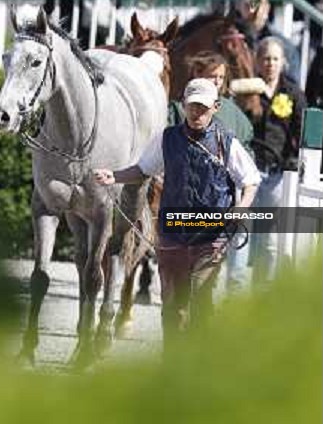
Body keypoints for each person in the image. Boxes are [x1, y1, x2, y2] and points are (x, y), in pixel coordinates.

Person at [94, 78, 260, 352]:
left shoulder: (226, 142)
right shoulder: (167, 138)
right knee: (173, 306)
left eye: (203, 108)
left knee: (199, 296)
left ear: (216, 107)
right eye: (192, 106)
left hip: (212, 235)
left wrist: (241, 208)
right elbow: (142, 170)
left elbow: (251, 180)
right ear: (183, 105)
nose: (196, 113)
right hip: (172, 234)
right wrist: (115, 176)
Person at [167, 51, 255, 294]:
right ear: (197, 76)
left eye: (221, 77)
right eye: (212, 76)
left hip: (218, 205)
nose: (217, 82)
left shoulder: (234, 114)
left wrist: (240, 199)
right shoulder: (176, 110)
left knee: (205, 281)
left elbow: (247, 158)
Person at [244, 37, 307, 285]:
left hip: (277, 174)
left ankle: (261, 299)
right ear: (257, 62)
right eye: (265, 58)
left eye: (274, 59)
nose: (270, 63)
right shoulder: (247, 89)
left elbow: (301, 130)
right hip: (248, 172)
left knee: (268, 243)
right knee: (241, 240)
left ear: (283, 63)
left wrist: (293, 160)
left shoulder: (292, 92)